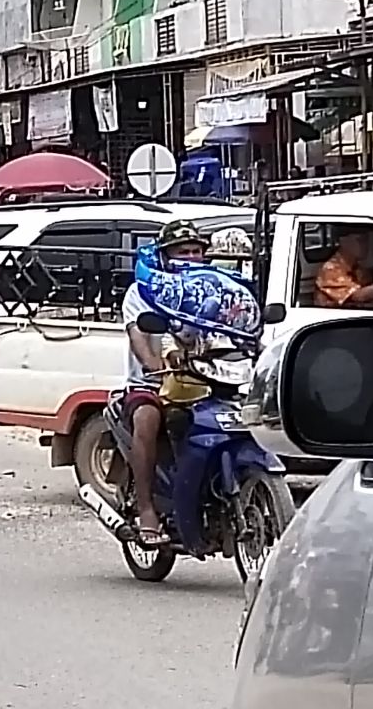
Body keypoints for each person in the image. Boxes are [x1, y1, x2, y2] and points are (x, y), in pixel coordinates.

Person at [121, 220, 208, 546]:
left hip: (207, 379)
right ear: (165, 256)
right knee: (148, 418)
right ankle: (146, 508)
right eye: (182, 251)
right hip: (152, 383)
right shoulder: (142, 291)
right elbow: (138, 336)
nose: (190, 257)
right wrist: (155, 364)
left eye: (195, 251)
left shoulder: (211, 289)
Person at [315, 226, 373, 308]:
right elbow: (358, 296)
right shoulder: (330, 269)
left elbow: (369, 285)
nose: (365, 245)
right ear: (343, 241)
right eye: (360, 240)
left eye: (366, 241)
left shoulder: (356, 268)